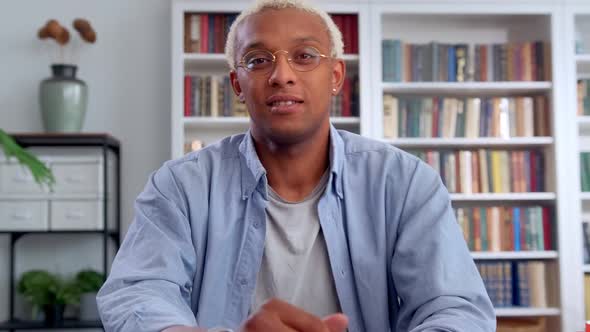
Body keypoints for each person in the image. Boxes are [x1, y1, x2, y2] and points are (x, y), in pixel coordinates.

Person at [97, 0, 496, 331]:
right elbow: (138, 292)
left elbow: (455, 308)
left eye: (304, 56)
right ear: (237, 83)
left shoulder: (406, 183)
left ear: (336, 75)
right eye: (257, 60)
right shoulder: (180, 186)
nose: (282, 75)